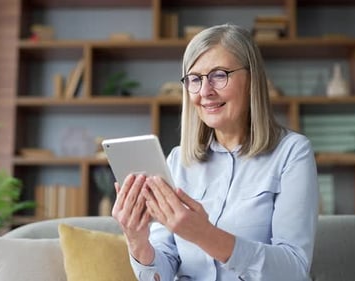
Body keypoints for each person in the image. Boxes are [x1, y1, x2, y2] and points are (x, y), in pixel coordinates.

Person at [112, 23, 319, 281]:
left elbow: (294, 271)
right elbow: (161, 271)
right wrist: (137, 241)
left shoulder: (291, 153)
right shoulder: (178, 161)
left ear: (252, 79)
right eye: (195, 79)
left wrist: (204, 235)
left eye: (219, 75)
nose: (205, 92)